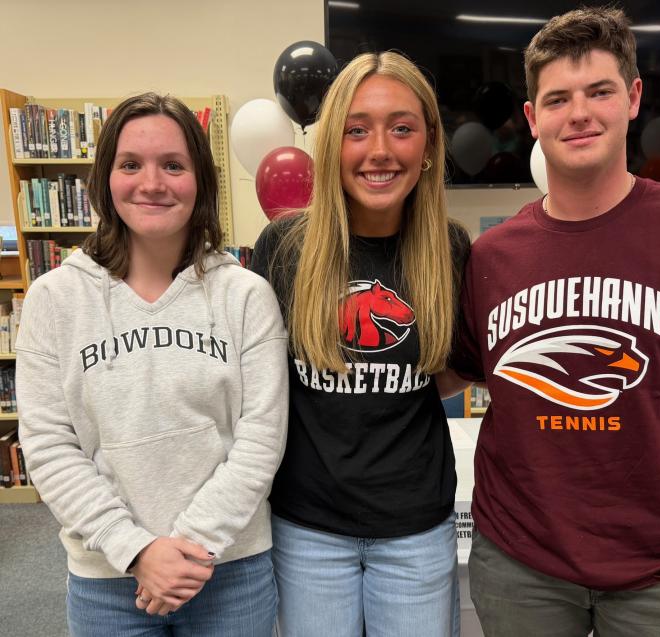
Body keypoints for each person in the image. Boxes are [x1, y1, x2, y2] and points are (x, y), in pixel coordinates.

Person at [446, 7, 660, 636]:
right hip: (520, 563)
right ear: (531, 118)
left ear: (634, 98)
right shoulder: (493, 256)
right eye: (557, 99)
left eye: (600, 91)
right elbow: (459, 373)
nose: (579, 113)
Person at [16, 92, 288, 637]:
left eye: (173, 165)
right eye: (130, 164)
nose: (152, 183)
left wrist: (189, 547)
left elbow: (262, 436)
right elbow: (48, 445)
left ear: (201, 180)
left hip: (231, 570)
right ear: (104, 178)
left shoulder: (245, 295)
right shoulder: (54, 299)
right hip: (108, 576)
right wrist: (137, 551)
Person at [250, 51, 470, 636]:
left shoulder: (451, 249)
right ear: (331, 145)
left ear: (428, 146)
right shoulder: (284, 246)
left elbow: (451, 371)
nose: (379, 150)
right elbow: (258, 387)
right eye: (356, 130)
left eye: (402, 128)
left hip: (415, 526)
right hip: (308, 527)